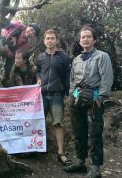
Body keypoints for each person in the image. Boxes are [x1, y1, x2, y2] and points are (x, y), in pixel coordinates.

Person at [63, 26, 113, 178]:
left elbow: (107, 78)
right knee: (79, 131)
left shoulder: (102, 56)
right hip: (77, 97)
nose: (85, 39)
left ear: (94, 39)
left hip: (95, 98)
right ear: (80, 41)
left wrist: (101, 98)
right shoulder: (77, 59)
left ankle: (96, 169)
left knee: (95, 133)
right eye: (83, 37)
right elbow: (72, 80)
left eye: (88, 36)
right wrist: (72, 94)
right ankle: (80, 163)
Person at [36, 29, 71, 165]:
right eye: (47, 38)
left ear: (57, 40)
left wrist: (67, 94)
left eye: (52, 38)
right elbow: (38, 70)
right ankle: (37, 149)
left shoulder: (64, 57)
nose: (50, 40)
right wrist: (38, 78)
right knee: (39, 122)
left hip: (57, 95)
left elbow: (67, 77)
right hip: (42, 95)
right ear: (44, 41)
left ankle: (61, 153)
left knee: (58, 124)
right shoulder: (40, 57)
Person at [0, 22, 40, 86]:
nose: (31, 33)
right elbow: (4, 26)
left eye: (33, 33)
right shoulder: (18, 25)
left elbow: (14, 55)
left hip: (5, 56)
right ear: (28, 26)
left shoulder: (25, 45)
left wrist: (10, 49)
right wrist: (5, 39)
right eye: (31, 29)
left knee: (7, 72)